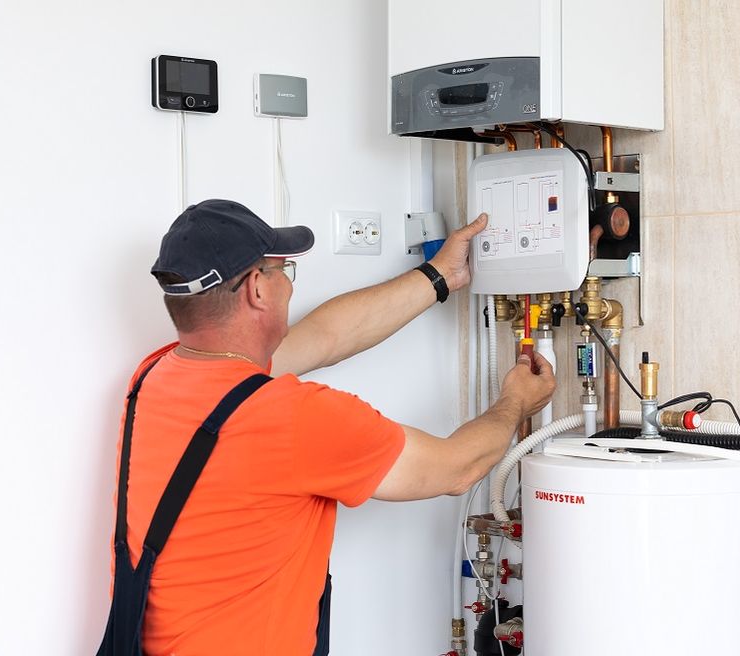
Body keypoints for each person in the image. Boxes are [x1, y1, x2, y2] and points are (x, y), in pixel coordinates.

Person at [103, 199, 555, 656]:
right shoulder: (289, 418)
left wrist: (440, 276)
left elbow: (325, 337)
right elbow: (455, 468)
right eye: (283, 271)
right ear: (257, 289)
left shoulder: (154, 378)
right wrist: (516, 402)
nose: (288, 285)